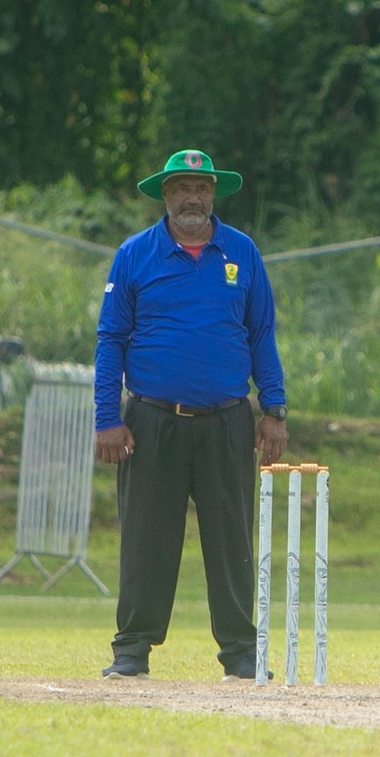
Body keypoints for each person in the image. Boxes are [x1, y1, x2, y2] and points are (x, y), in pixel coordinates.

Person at [93, 149, 288, 680]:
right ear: (166, 195)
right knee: (146, 540)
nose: (193, 197)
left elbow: (261, 333)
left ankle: (241, 653)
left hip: (227, 418)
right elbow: (111, 339)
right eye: (181, 187)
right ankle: (132, 649)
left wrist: (273, 408)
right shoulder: (136, 255)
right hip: (153, 419)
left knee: (231, 540)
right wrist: (107, 419)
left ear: (214, 195)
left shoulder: (241, 253)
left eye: (202, 188)